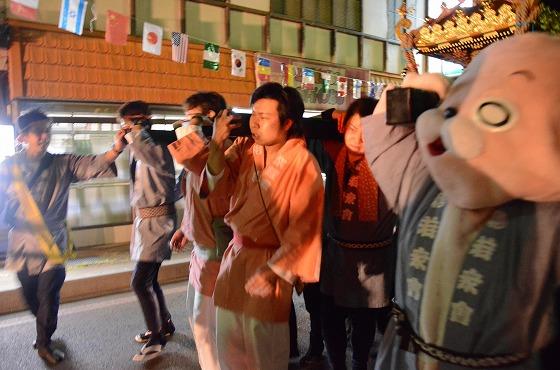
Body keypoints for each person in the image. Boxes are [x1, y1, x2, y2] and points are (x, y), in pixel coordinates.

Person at [200, 82, 324, 369]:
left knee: (263, 353)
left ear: (287, 122)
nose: (255, 123)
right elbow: (214, 183)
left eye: (264, 117)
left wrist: (273, 271)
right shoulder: (244, 148)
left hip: (270, 262)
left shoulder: (302, 162)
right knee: (229, 346)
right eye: (254, 114)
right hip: (235, 259)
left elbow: (304, 228)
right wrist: (217, 143)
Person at [0, 109, 124, 365]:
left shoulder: (64, 162)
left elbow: (94, 164)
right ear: (23, 137)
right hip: (22, 242)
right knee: (30, 296)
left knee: (49, 294)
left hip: (53, 240)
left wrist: (116, 149)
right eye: (38, 131)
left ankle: (44, 342)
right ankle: (43, 328)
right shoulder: (8, 167)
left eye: (48, 130)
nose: (44, 136)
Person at [314, 98, 396, 370]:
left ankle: (361, 364)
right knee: (330, 315)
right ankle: (337, 364)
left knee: (364, 320)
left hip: (375, 257)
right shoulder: (334, 150)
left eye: (367, 131)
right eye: (352, 129)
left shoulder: (390, 158)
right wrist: (332, 114)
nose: (358, 138)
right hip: (336, 253)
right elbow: (310, 127)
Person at [167, 91, 232, 370]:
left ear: (210, 119)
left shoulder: (224, 154)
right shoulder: (200, 155)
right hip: (201, 249)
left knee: (206, 325)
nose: (185, 125)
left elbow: (216, 193)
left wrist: (212, 139)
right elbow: (196, 199)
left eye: (191, 118)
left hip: (216, 252)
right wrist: (185, 228)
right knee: (197, 320)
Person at [118, 101, 177, 362]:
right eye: (126, 122)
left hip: (159, 221)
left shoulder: (156, 143)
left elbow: (148, 155)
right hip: (144, 222)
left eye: (133, 121)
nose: (128, 127)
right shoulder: (138, 144)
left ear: (146, 119)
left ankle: (156, 338)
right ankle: (164, 324)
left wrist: (135, 132)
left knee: (139, 282)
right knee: (150, 280)